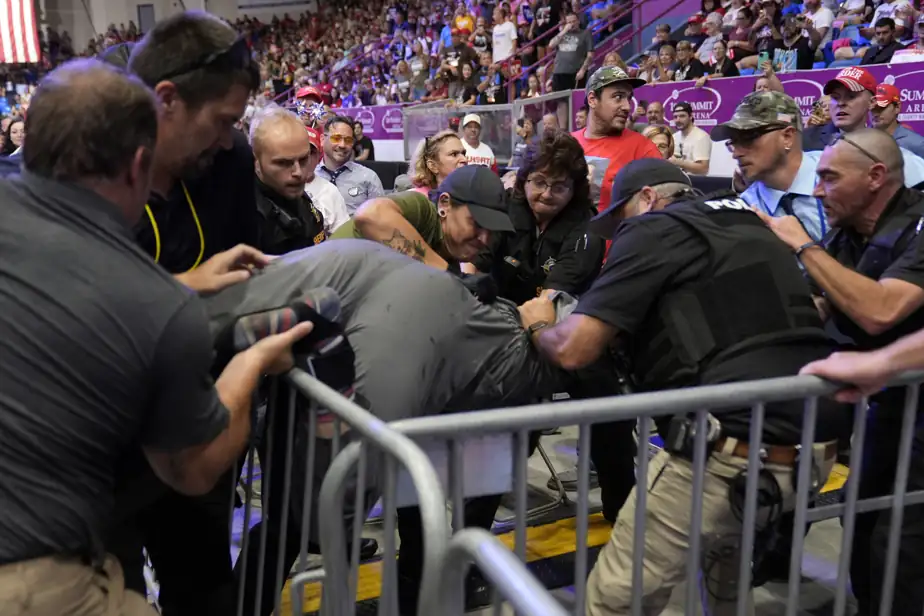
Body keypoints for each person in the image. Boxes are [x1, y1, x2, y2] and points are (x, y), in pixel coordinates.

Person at [0, 58, 311, 616]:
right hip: (33, 574)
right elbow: (192, 468)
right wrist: (254, 360)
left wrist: (182, 284)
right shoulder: (150, 304)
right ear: (140, 166)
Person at [518, 157, 844, 615]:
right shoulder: (749, 223)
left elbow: (574, 349)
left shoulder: (655, 229)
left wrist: (538, 325)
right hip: (813, 442)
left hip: (724, 448)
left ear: (648, 198)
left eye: (622, 216)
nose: (619, 233)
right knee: (724, 583)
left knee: (613, 599)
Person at [199, 239, 567, 616]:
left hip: (437, 389)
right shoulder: (424, 268)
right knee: (306, 521)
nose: (480, 236)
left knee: (391, 517)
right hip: (426, 386)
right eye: (472, 220)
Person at [105, 14, 279, 614]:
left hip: (194, 408)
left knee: (204, 586)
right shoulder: (84, 163)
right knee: (112, 589)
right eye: (224, 122)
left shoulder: (223, 163)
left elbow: (239, 277)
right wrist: (183, 285)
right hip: (105, 436)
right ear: (167, 100)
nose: (230, 140)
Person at [756, 128, 924, 616]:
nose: (816, 190)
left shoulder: (916, 227)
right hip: (887, 407)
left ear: (875, 176)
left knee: (904, 542)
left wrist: (803, 247)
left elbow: (881, 310)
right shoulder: (847, 235)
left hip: (915, 407)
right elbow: (819, 306)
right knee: (863, 520)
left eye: (829, 178)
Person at [331, 164, 514, 271]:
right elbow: (370, 214)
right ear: (444, 204)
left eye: (491, 230)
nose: (484, 238)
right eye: (476, 223)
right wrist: (445, 274)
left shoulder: (447, 253)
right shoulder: (423, 210)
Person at [722, 91, 829, 241]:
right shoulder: (747, 208)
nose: (736, 154)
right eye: (733, 142)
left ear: (787, 137)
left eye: (748, 138)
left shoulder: (838, 173)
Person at [571, 66, 662, 214]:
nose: (627, 106)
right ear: (593, 99)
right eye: (618, 97)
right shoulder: (568, 144)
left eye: (628, 98)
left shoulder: (643, 149)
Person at [250, 106, 329, 254]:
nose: (298, 172)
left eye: (304, 159)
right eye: (283, 163)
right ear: (256, 161)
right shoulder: (241, 219)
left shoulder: (302, 201)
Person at [317, 115, 385, 215]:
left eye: (348, 140)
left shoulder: (369, 178)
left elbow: (381, 217)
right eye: (336, 138)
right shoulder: (308, 177)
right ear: (322, 140)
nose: (342, 145)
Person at [399, 129, 468, 194]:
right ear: (433, 166)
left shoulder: (471, 195)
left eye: (463, 153)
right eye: (454, 154)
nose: (464, 159)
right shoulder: (413, 199)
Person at [870, 83, 924, 159]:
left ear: (897, 107)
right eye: (873, 108)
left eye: (881, 108)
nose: (875, 113)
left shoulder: (916, 144)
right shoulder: (860, 140)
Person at [671, 102, 711, 175]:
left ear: (691, 116)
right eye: (675, 117)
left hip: (695, 182)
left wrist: (678, 162)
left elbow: (703, 169)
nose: (678, 120)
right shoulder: (674, 137)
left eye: (682, 116)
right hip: (677, 180)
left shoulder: (701, 137)